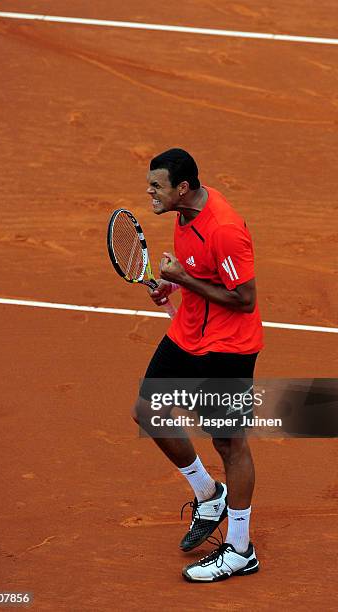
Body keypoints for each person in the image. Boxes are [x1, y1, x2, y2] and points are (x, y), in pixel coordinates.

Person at [132, 148, 263, 582]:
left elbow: (244, 300)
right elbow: (198, 273)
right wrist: (173, 292)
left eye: (157, 186)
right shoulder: (184, 211)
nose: (149, 192)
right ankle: (208, 493)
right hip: (189, 332)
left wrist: (183, 280)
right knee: (149, 411)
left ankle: (241, 549)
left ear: (182, 188)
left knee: (229, 444)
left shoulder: (223, 229)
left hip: (228, 345)